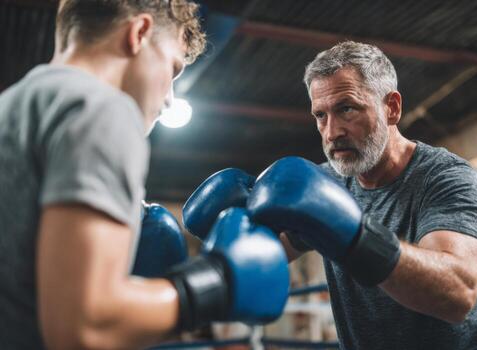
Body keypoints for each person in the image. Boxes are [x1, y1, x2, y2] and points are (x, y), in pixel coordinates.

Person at [0, 1, 290, 349]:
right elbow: (83, 328)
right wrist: (215, 284)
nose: (168, 99)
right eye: (173, 69)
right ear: (138, 33)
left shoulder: (13, 104)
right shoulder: (102, 109)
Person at [183, 41, 477, 349]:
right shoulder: (322, 183)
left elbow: (459, 294)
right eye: (320, 115)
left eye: (347, 109)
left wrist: (354, 235)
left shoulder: (445, 177)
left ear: (391, 108)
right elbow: (259, 260)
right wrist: (224, 244)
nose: (332, 131)